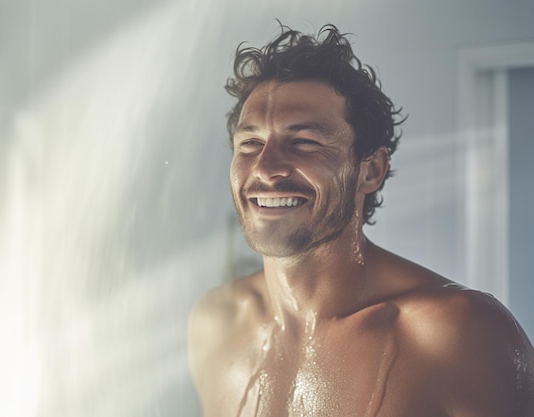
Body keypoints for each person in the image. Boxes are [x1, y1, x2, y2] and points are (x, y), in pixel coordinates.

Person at [187, 22, 534, 417]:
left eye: (303, 142)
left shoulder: (456, 335)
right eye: (250, 143)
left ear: (371, 170)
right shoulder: (215, 324)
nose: (266, 169)